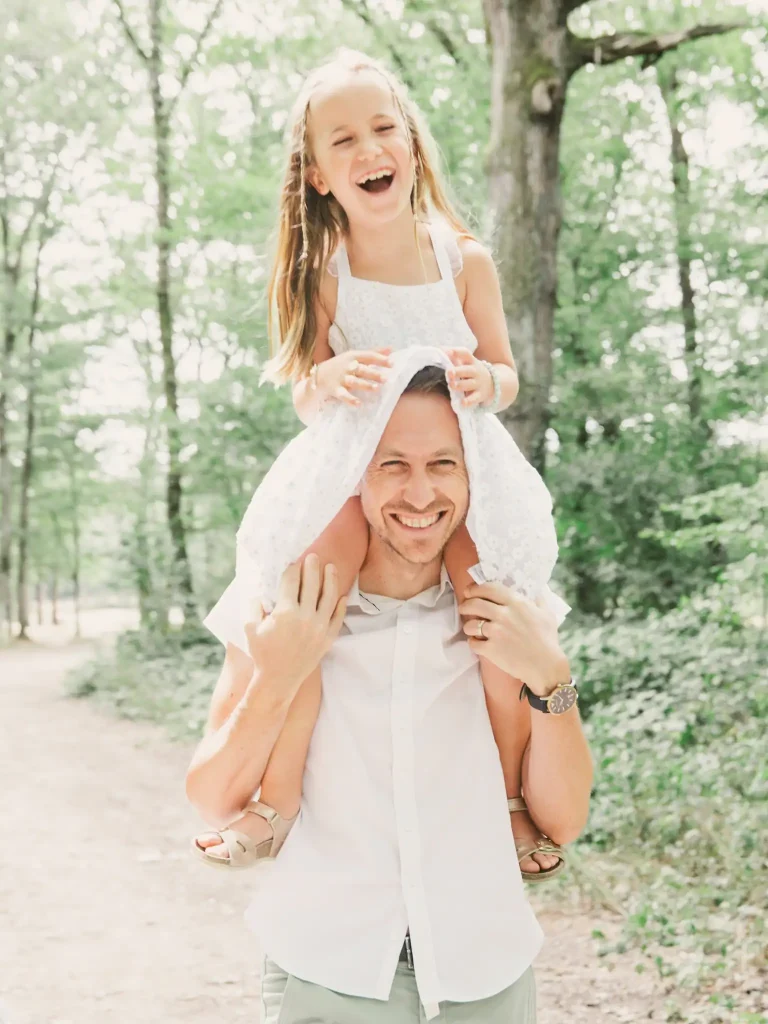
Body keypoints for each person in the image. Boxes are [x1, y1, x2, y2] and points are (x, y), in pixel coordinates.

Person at [193, 48, 570, 880]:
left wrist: (486, 379)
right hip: (352, 470)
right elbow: (302, 389)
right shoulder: (326, 271)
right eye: (343, 141)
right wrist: (324, 378)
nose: (369, 150)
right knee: (308, 618)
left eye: (382, 129)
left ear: (411, 146)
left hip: (453, 469)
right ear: (320, 176)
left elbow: (508, 373)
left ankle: (511, 800)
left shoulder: (461, 260)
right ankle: (276, 800)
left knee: (492, 626)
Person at [186, 366, 593, 1023]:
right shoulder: (281, 606)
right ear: (354, 473)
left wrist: (551, 674)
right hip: (327, 965)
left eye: (444, 463)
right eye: (391, 464)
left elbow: (566, 819)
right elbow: (211, 797)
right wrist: (279, 673)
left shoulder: (513, 610)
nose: (421, 491)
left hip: (484, 969)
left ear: (472, 475)